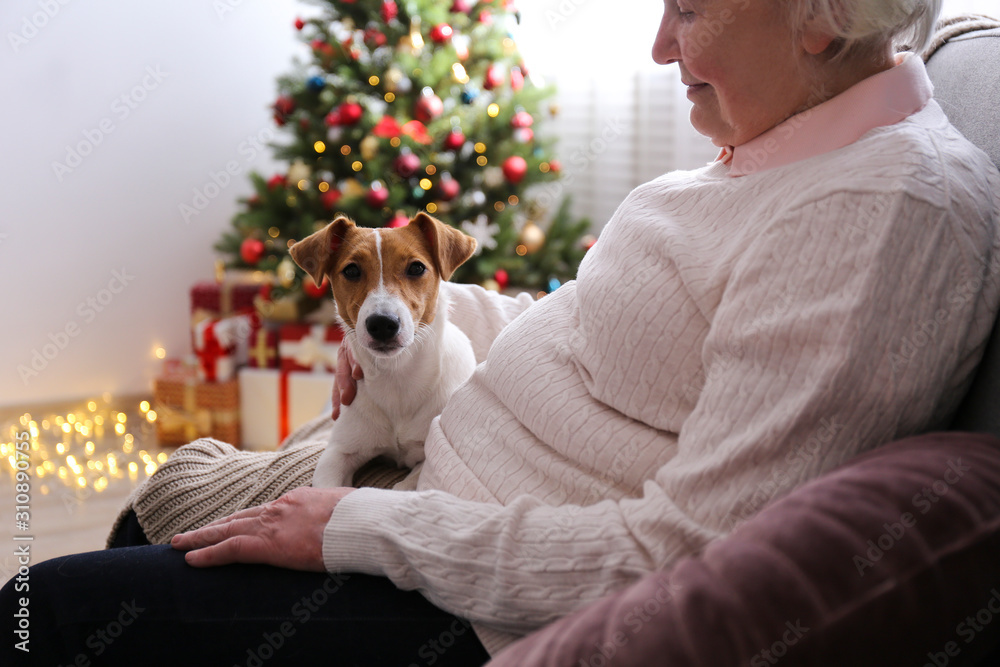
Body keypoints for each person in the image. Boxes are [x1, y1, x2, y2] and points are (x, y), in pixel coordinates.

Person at [5, 0, 1000, 664]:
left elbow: (682, 554)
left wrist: (358, 526)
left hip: (467, 595)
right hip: (431, 476)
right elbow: (606, 336)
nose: (660, 45)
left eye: (689, 8)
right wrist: (419, 327)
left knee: (41, 611)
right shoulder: (779, 144)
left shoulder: (879, 212)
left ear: (817, 15)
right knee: (144, 520)